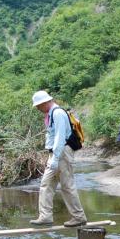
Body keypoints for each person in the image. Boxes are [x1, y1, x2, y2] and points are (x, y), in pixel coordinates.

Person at [29, 90, 88, 227]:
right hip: (56, 154)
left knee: (67, 186)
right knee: (46, 185)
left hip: (61, 153)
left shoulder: (58, 113)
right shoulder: (51, 114)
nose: (38, 108)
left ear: (45, 102)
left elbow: (60, 137)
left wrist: (55, 158)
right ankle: (45, 216)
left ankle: (78, 217)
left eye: (38, 105)